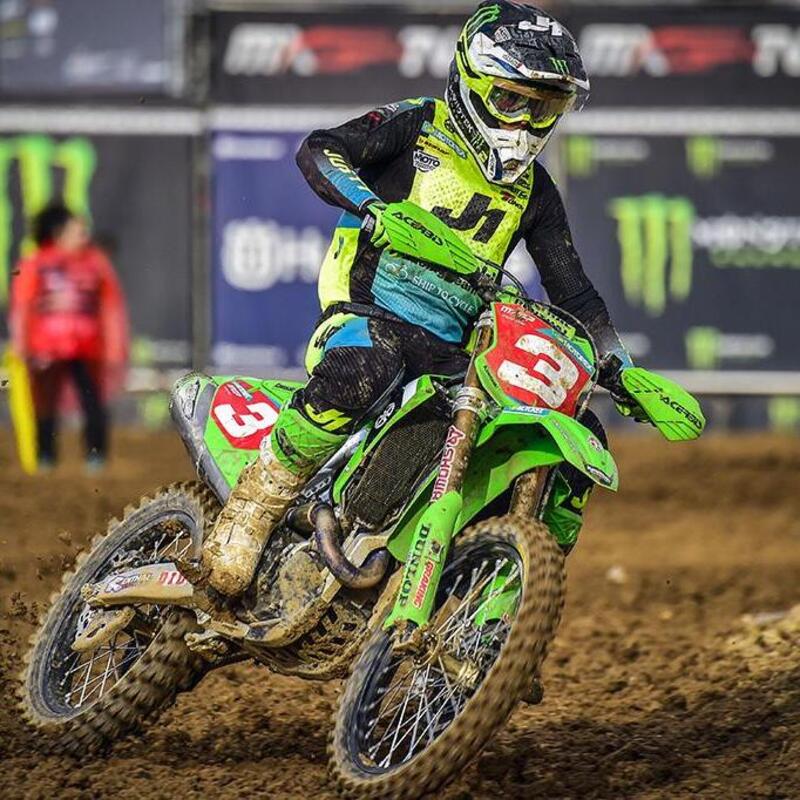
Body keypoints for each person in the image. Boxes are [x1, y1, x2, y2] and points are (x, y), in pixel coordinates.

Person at [202, 0, 636, 597]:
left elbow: (574, 291)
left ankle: (507, 594)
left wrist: (620, 365)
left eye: (543, 110)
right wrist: (371, 207)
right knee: (369, 366)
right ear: (471, 83)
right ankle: (255, 505)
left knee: (575, 430)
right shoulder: (419, 124)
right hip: (367, 313)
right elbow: (320, 149)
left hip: (453, 351)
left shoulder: (537, 192)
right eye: (511, 101)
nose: (525, 125)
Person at [9, 203, 128, 471]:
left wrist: (114, 347)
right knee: (44, 404)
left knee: (93, 402)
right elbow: (22, 305)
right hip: (46, 348)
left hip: (87, 347)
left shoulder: (96, 263)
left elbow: (111, 306)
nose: (84, 235)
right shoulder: (36, 263)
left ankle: (96, 456)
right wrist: (21, 344)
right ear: (58, 232)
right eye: (78, 229)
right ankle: (45, 457)